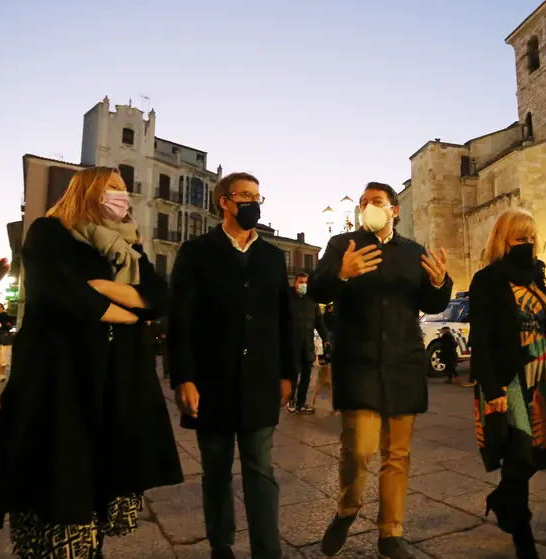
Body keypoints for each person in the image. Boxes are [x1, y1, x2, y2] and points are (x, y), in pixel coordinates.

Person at [0, 166, 183, 558]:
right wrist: (129, 307)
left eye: (122, 188)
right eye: (112, 187)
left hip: (119, 378)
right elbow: (63, 293)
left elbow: (160, 297)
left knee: (106, 473)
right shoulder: (50, 232)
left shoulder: (129, 245)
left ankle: (91, 544)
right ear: (88, 190)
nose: (121, 195)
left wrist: (109, 291)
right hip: (62, 378)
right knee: (62, 475)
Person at [310, 182, 451, 559]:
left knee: (398, 455)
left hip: (403, 363)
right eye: (363, 203)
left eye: (376, 202)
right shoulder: (343, 245)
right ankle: (347, 509)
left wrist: (441, 283)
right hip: (360, 364)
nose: (368, 208)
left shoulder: (413, 252)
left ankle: (390, 532)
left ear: (394, 210)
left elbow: (432, 299)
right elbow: (316, 290)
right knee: (359, 448)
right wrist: (341, 274)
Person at [168, 172, 293, 559]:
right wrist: (184, 377)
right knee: (217, 472)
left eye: (258, 197)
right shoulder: (196, 252)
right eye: (245, 195)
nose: (253, 202)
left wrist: (288, 372)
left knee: (260, 469)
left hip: (259, 380)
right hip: (212, 381)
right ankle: (221, 545)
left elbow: (284, 318)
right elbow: (181, 319)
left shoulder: (272, 257)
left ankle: (267, 551)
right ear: (224, 201)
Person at [469, 209, 546, 559]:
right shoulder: (488, 279)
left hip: (539, 374)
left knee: (532, 453)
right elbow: (480, 337)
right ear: (503, 240)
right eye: (518, 239)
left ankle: (501, 500)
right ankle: (524, 541)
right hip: (508, 375)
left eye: (530, 239)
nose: (526, 245)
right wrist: (491, 389)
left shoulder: (537, 277)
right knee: (520, 454)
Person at [287, 272, 329, 415]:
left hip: (308, 345)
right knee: (293, 374)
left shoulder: (312, 301)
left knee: (306, 376)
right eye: (301, 282)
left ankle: (301, 402)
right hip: (292, 344)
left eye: (305, 282)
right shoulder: (288, 299)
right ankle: (290, 399)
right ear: (295, 283)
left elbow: (319, 322)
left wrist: (326, 337)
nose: (303, 285)